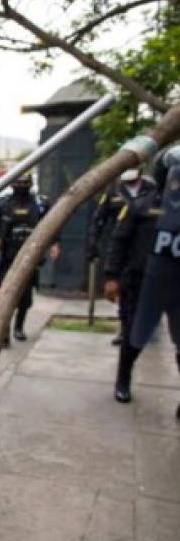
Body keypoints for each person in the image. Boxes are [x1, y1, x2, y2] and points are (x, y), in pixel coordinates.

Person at [104, 147, 180, 405]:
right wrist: (112, 277)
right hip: (143, 282)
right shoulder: (141, 207)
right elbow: (119, 242)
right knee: (134, 335)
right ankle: (123, 379)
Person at [86, 169, 155, 346]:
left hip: (146, 247)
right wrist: (93, 243)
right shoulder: (112, 192)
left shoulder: (152, 189)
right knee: (125, 291)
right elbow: (98, 219)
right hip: (121, 247)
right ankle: (126, 329)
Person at [0, 173, 60, 343]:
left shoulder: (39, 204)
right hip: (8, 257)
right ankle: (4, 330)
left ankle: (19, 327)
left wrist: (55, 243)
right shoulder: (2, 204)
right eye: (18, 183)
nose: (21, 186)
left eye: (25, 183)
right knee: (6, 296)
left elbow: (52, 224)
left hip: (30, 256)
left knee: (25, 298)